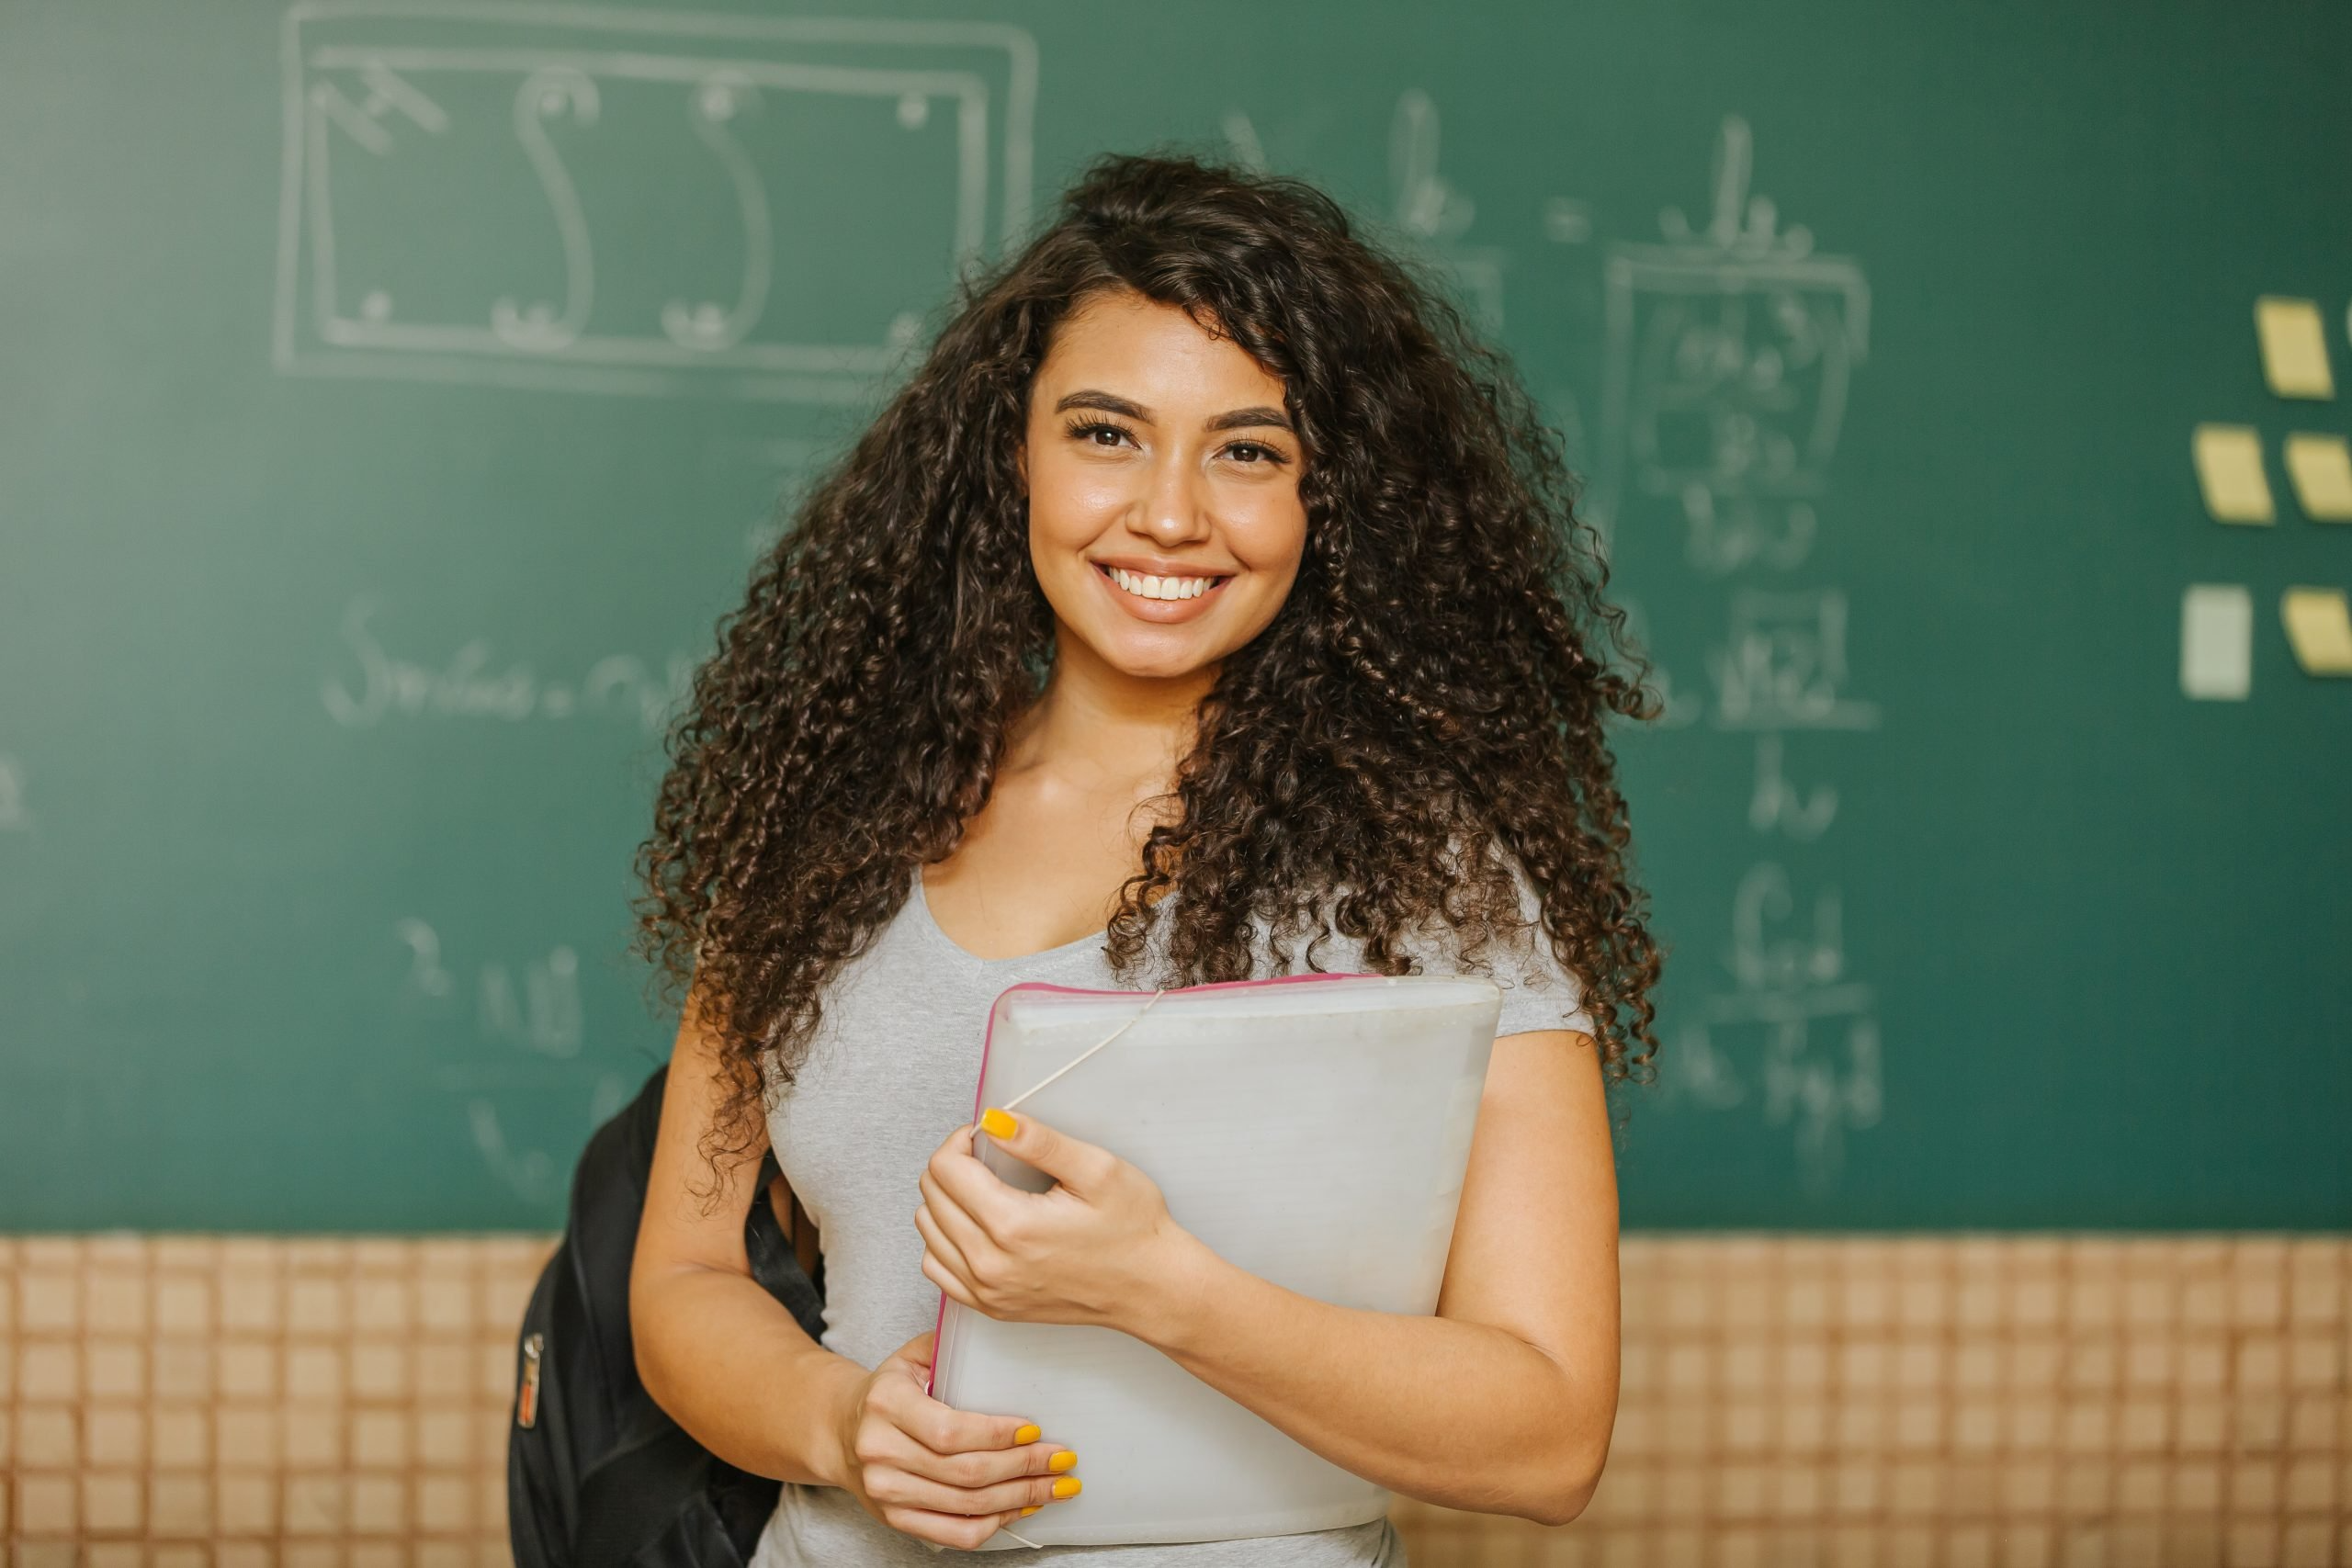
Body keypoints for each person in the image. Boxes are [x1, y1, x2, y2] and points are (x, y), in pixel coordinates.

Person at [626, 149, 1663, 1567]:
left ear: (1327, 498)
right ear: (1016, 454)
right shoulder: (827, 823)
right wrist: (839, 1420)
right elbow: (684, 1277)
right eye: (1106, 433)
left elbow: (1548, 1434)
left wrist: (1159, 1288)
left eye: (1250, 449)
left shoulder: (1433, 876)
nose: (1171, 513)